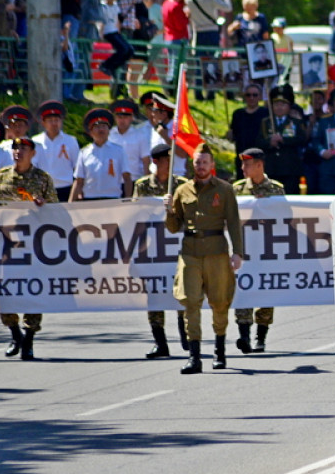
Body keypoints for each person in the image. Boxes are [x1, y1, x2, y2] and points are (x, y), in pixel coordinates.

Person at [165, 143, 244, 374]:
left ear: (212, 165)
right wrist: (168, 210)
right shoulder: (182, 191)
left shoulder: (225, 190)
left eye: (204, 162)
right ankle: (194, 356)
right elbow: (173, 227)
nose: (200, 166)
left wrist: (237, 252)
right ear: (193, 164)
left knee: (220, 301)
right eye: (197, 162)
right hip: (190, 252)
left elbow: (234, 222)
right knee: (190, 301)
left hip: (217, 251)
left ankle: (219, 350)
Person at [0, 137, 57, 360]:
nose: (18, 151)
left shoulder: (42, 179)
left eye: (23, 148)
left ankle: (29, 338)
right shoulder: (2, 176)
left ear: (33, 153)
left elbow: (57, 211)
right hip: (8, 245)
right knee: (5, 291)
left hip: (33, 246)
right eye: (15, 148)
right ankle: (14, 333)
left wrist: (43, 206)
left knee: (32, 291)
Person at [133, 143, 189, 359]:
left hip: (177, 248)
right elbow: (135, 215)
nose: (170, 163)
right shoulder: (143, 185)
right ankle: (160, 342)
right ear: (156, 162)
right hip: (152, 250)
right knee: (154, 296)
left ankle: (186, 334)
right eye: (166, 159)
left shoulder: (181, 184)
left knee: (181, 292)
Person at [232, 147, 285, 354]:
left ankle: (260, 337)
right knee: (243, 290)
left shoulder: (276, 189)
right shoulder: (236, 189)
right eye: (242, 164)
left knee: (265, 291)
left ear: (259, 165)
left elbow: (285, 218)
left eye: (247, 164)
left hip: (266, 249)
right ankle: (244, 336)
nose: (243, 168)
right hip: (244, 249)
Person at [70, 108, 132, 200]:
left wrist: (128, 199)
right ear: (90, 133)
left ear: (109, 130)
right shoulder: (84, 153)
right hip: (90, 199)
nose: (101, 130)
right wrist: (70, 202)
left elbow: (127, 178)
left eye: (104, 126)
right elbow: (79, 181)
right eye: (97, 127)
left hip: (113, 198)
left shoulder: (119, 151)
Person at [257, 85, 307, 194]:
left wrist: (283, 140)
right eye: (276, 104)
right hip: (271, 168)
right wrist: (270, 142)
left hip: (290, 168)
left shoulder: (296, 122)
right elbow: (258, 141)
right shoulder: (266, 122)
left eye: (283, 104)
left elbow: (302, 139)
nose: (279, 107)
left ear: (289, 106)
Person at [30, 100, 79, 202]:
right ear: (43, 123)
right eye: (50, 120)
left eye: (56, 120)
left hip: (65, 188)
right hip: (43, 189)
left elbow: (77, 167)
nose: (54, 123)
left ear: (61, 121)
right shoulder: (35, 141)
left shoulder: (71, 140)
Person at [228, 84, 269, 177]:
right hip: (242, 156)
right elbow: (233, 134)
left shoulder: (265, 113)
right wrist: (229, 134)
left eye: (255, 95)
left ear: (260, 97)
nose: (251, 98)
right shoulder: (238, 114)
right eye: (248, 95)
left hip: (260, 157)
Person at [108, 99, 149, 184]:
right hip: (113, 181)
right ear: (115, 117)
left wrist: (147, 180)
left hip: (134, 179)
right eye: (119, 117)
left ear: (131, 117)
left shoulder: (140, 135)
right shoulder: (109, 135)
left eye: (126, 117)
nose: (122, 120)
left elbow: (146, 160)